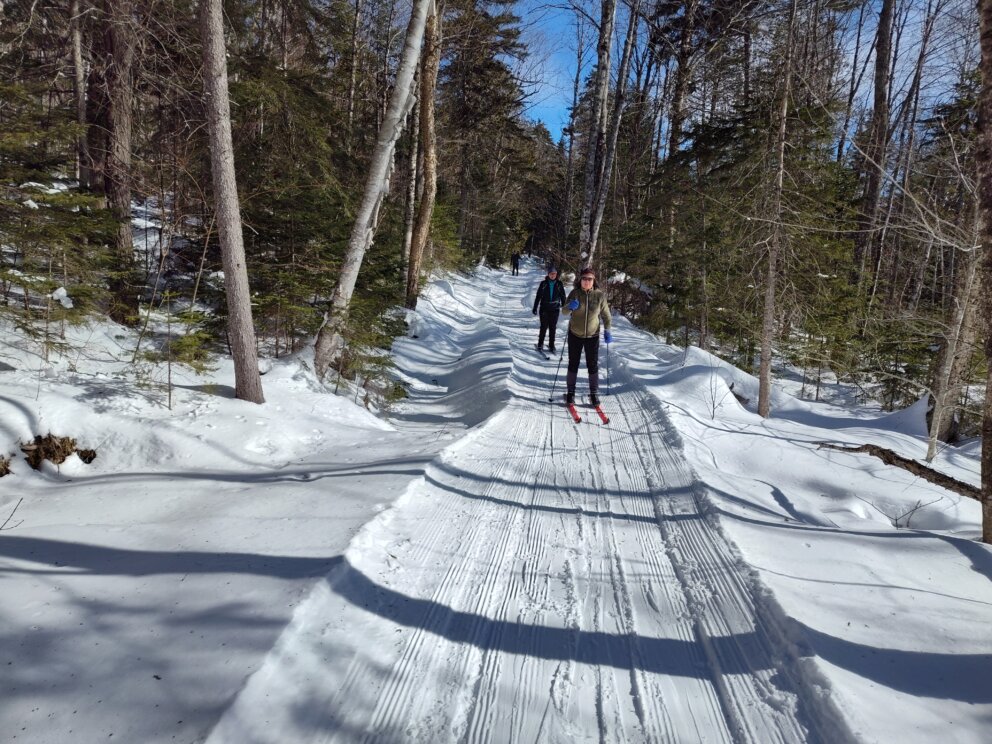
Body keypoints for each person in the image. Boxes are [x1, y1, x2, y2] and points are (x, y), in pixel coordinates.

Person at [562, 266, 612, 406]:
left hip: (593, 336)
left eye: (589, 279)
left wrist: (607, 330)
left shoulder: (599, 296)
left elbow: (606, 316)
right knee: (573, 363)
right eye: (584, 279)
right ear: (580, 280)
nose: (586, 281)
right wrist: (570, 306)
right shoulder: (574, 293)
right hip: (575, 335)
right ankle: (571, 392)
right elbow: (564, 312)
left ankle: (594, 393)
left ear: (593, 280)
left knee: (592, 364)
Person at [532, 266, 567, 352]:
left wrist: (564, 306)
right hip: (544, 308)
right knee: (543, 327)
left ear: (556, 274)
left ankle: (551, 345)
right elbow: (538, 296)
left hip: (555, 309)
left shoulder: (559, 284)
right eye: (551, 274)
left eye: (554, 274)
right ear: (548, 274)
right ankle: (540, 344)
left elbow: (563, 296)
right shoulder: (543, 284)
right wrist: (535, 307)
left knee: (553, 328)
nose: (553, 275)